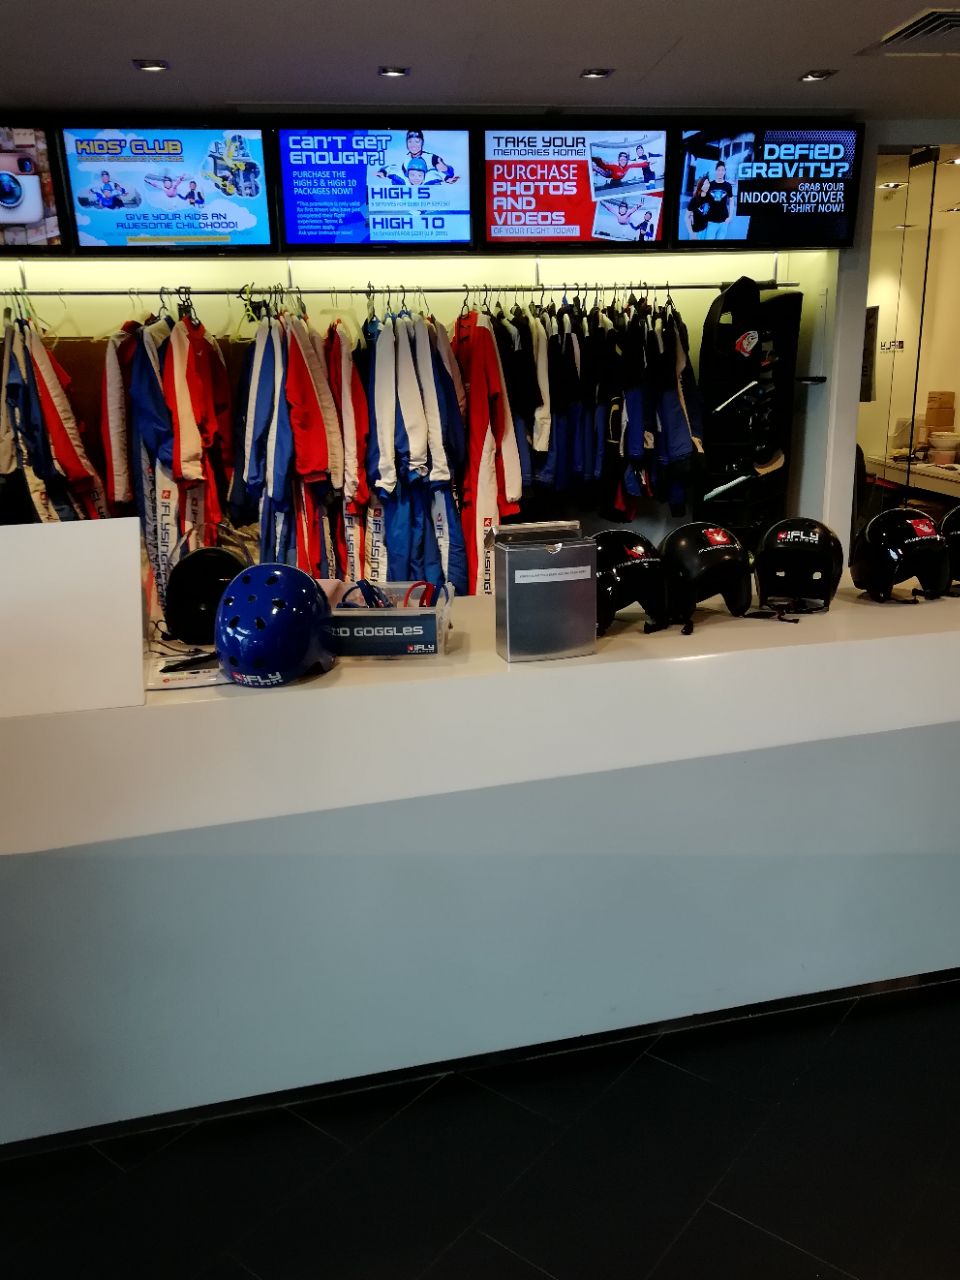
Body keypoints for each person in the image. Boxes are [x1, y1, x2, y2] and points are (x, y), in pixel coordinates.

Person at [703, 161, 734, 240]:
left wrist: (730, 217)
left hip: (724, 221)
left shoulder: (728, 186)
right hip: (711, 221)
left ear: (725, 171)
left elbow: (731, 201)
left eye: (722, 170)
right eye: (719, 170)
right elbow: (704, 202)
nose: (720, 172)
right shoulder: (710, 185)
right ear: (716, 171)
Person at [685, 175, 712, 239]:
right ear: (701, 185)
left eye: (708, 183)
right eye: (705, 184)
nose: (707, 185)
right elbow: (686, 217)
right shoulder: (695, 199)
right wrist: (691, 233)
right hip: (695, 232)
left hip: (705, 230)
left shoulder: (709, 198)